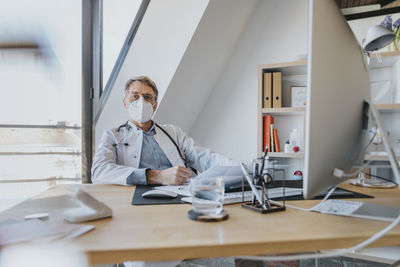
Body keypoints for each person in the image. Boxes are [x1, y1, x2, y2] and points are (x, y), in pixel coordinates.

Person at [91, 76, 237, 185]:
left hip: (180, 194)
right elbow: (99, 171)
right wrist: (156, 176)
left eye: (147, 97)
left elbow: (206, 157)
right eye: (135, 96)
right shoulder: (113, 135)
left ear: (154, 106)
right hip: (136, 199)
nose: (141, 102)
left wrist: (241, 169)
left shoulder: (173, 132)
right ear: (125, 102)